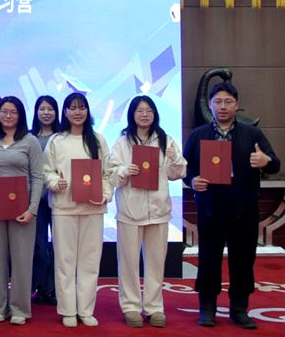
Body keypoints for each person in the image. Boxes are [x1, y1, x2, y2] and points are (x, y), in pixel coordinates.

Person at [183, 82, 280, 329]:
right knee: (209, 258)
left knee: (243, 260)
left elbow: (275, 164)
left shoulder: (252, 134)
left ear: (237, 105)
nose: (223, 106)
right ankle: (207, 308)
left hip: (243, 208)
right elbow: (185, 168)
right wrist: (192, 180)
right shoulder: (199, 134)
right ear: (210, 105)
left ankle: (239, 309)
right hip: (211, 207)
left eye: (228, 102)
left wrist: (265, 160)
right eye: (218, 102)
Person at [108, 95, 186, 328]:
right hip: (130, 211)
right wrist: (125, 170)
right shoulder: (122, 143)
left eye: (149, 110)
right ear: (132, 114)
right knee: (128, 262)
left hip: (158, 210)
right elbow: (111, 175)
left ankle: (154, 307)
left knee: (156, 262)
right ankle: (131, 306)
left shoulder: (166, 140)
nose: (144, 114)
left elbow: (178, 173)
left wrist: (174, 158)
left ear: (154, 114)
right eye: (140, 110)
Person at [43, 92, 112, 327]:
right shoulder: (57, 140)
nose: (77, 112)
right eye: (72, 108)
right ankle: (68, 310)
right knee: (65, 260)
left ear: (87, 111)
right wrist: (56, 182)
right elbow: (46, 171)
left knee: (90, 261)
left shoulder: (98, 140)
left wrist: (105, 194)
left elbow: (108, 173)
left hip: (93, 208)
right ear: (65, 112)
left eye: (81, 107)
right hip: (64, 207)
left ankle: (85, 309)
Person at [0, 96, 44, 325]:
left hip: (21, 204)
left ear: (20, 115)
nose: (8, 115)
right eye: (4, 111)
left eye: (13, 112)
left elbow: (38, 177)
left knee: (22, 257)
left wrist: (32, 209)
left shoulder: (30, 141)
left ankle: (20, 309)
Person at [30, 95, 60, 306]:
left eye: (50, 109)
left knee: (59, 245)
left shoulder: (62, 137)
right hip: (36, 199)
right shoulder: (28, 136)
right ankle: (40, 286)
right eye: (42, 109)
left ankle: (55, 287)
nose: (46, 112)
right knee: (39, 245)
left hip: (59, 196)